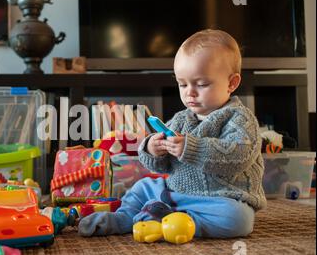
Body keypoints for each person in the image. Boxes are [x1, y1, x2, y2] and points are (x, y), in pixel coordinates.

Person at [78, 29, 267, 238]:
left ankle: (177, 221)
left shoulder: (240, 118)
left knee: (238, 220)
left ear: (232, 83)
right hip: (173, 192)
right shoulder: (181, 118)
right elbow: (161, 166)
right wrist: (153, 149)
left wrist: (190, 148)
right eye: (182, 84)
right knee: (143, 186)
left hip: (219, 199)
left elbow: (239, 155)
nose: (190, 92)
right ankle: (123, 217)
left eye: (202, 84)